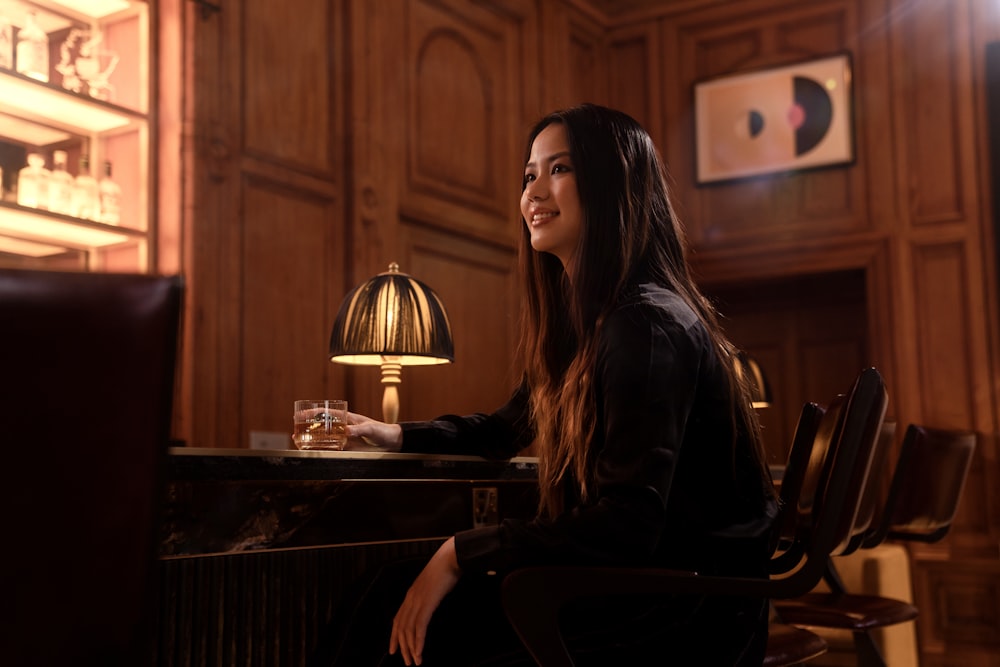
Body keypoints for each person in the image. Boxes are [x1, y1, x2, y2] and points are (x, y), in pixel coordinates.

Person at [310, 103, 778, 666]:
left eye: (560, 169)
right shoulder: (592, 327)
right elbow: (501, 430)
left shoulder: (645, 324)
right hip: (648, 589)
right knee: (380, 595)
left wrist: (460, 552)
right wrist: (391, 433)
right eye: (529, 174)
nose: (534, 191)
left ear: (614, 185)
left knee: (389, 606)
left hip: (683, 615)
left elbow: (629, 523)